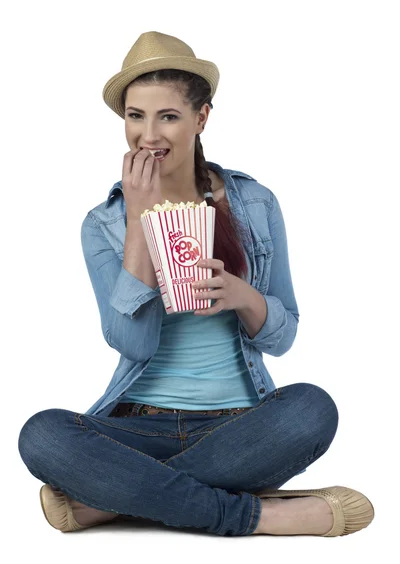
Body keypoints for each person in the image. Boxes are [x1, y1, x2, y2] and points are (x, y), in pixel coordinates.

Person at [18, 31, 374, 537]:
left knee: (312, 409)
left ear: (201, 117)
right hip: (136, 426)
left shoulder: (254, 204)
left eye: (168, 116)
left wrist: (243, 297)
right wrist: (139, 222)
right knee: (43, 435)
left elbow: (285, 335)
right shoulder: (103, 224)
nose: (148, 135)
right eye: (135, 116)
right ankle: (253, 515)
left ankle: (116, 499)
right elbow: (132, 342)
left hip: (238, 428)